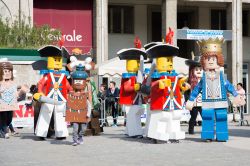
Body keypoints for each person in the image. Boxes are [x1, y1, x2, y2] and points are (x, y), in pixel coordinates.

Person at [186, 38, 245, 142]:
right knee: (207, 118)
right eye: (208, 59)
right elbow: (196, 89)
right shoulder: (204, 78)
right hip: (207, 102)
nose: (211, 61)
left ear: (219, 61)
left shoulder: (222, 77)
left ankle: (221, 135)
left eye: (214, 59)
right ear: (204, 61)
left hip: (221, 102)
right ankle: (208, 136)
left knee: (221, 118)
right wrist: (191, 100)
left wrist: (236, 95)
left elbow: (229, 86)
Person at [33, 45, 72, 140]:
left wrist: (71, 93)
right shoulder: (47, 75)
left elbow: (68, 87)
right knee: (45, 114)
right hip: (48, 99)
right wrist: (40, 93)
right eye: (55, 60)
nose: (57, 62)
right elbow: (41, 84)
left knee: (60, 116)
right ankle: (41, 133)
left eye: (59, 60)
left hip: (60, 99)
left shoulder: (63, 76)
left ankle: (61, 133)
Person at [65, 64, 91, 146]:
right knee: (75, 128)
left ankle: (80, 137)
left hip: (83, 114)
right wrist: (66, 114)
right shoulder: (71, 94)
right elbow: (68, 104)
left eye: (80, 81)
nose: (78, 83)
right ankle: (75, 140)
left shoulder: (84, 95)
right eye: (76, 81)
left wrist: (88, 114)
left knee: (83, 128)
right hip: (75, 115)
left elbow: (88, 105)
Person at [185, 53, 203, 134]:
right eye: (197, 69)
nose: (199, 71)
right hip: (194, 102)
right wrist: (188, 101)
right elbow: (186, 92)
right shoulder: (190, 81)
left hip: (202, 102)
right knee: (193, 117)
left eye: (200, 69)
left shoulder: (204, 80)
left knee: (205, 117)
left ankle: (207, 130)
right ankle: (191, 130)